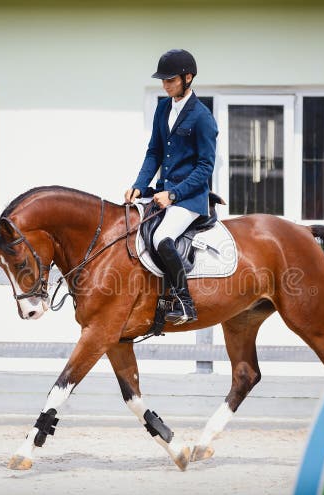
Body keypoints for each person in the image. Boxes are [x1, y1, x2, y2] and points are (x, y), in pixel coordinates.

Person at [125, 48, 218, 325]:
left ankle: (184, 303)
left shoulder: (202, 117)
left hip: (189, 198)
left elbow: (205, 167)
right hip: (163, 192)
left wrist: (175, 194)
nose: (165, 86)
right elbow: (154, 151)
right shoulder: (163, 107)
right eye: (163, 81)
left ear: (188, 78)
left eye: (170, 80)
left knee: (161, 238)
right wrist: (140, 186)